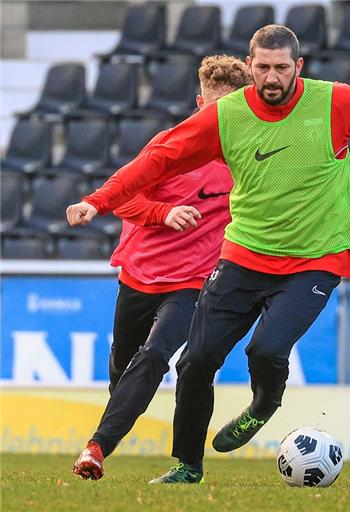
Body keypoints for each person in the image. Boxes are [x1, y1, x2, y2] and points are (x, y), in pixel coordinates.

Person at [66, 25, 350, 484]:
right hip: (244, 253)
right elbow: (155, 159)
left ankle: (263, 404)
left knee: (267, 348)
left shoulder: (335, 101)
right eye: (263, 67)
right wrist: (97, 201)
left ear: (299, 67)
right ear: (250, 66)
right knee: (195, 361)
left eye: (281, 67)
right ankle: (187, 466)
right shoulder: (227, 115)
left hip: (316, 256)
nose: (272, 77)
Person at [71, 55, 253, 481]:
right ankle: (121, 416)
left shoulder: (250, 161)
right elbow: (125, 196)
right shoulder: (172, 146)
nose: (218, 121)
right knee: (124, 366)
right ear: (198, 103)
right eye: (210, 110)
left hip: (193, 282)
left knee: (157, 355)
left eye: (228, 111)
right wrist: (163, 212)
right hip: (138, 275)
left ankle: (97, 449)